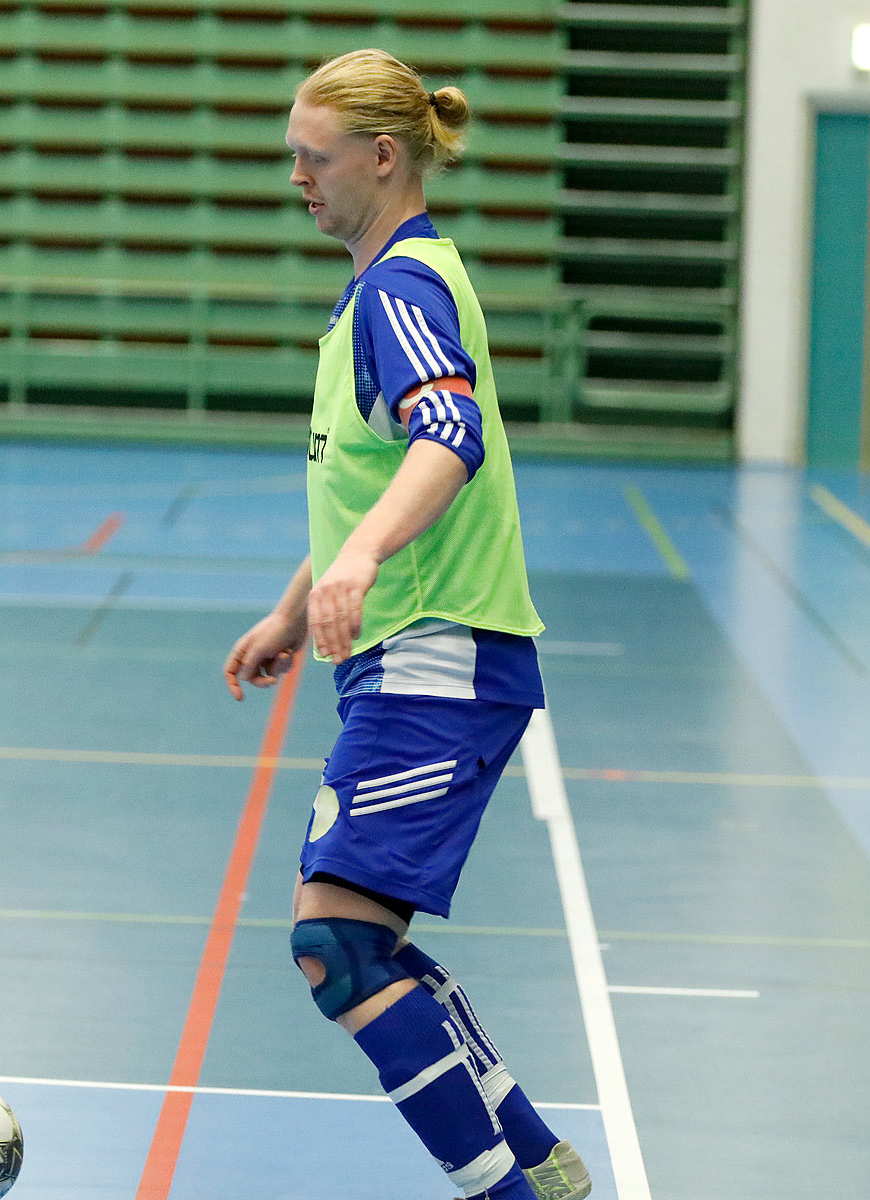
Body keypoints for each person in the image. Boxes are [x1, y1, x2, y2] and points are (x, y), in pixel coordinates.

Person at [222, 48, 592, 1200]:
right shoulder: (383, 287)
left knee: (334, 945)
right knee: (358, 945)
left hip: (437, 653)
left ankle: (512, 1190)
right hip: (419, 654)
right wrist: (300, 600)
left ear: (382, 158)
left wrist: (368, 559)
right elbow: (367, 475)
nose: (296, 177)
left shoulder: (401, 291)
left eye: (311, 156)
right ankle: (540, 1164)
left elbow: (448, 432)